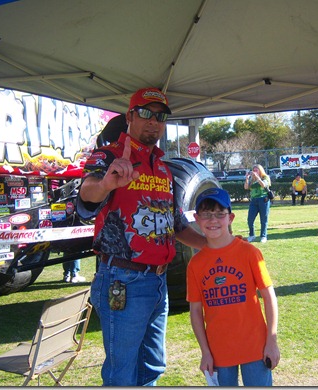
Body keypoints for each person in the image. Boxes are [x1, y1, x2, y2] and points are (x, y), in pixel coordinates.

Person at [76, 87, 207, 386]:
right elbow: (87, 194)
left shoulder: (163, 168)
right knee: (121, 374)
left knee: (151, 367)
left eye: (160, 116)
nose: (154, 122)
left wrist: (214, 244)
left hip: (158, 281)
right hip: (123, 280)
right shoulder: (107, 156)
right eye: (146, 113)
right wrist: (108, 183)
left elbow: (176, 225)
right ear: (131, 116)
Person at [186, 187, 280, 386]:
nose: (213, 221)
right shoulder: (196, 264)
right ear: (196, 218)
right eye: (206, 215)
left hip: (255, 347)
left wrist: (271, 341)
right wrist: (205, 352)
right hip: (218, 352)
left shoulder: (249, 253)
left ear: (231, 218)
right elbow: (195, 310)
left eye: (220, 214)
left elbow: (269, 296)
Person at [244, 164, 271, 243]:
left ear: (260, 170)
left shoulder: (265, 177)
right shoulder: (252, 179)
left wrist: (258, 178)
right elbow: (246, 187)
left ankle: (263, 236)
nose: (254, 172)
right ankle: (252, 235)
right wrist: (247, 178)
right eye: (254, 170)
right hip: (254, 200)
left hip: (263, 200)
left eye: (256, 170)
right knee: (250, 219)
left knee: (263, 219)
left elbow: (263, 185)